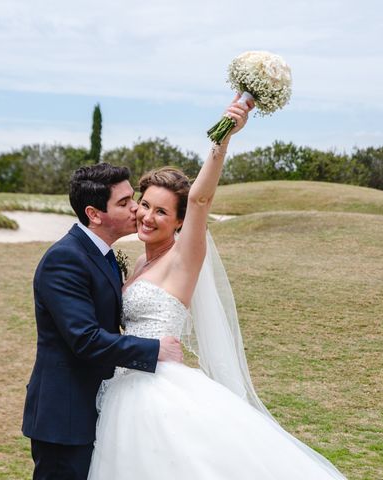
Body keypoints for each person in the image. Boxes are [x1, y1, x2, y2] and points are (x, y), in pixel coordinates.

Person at [87, 95, 348, 479]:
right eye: (145, 205)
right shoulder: (142, 262)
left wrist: (223, 138)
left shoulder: (184, 256)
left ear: (179, 222)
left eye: (162, 211)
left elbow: (201, 198)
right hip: (125, 386)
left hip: (158, 391)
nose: (147, 216)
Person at [22, 163, 184, 480]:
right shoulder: (65, 259)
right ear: (95, 214)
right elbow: (85, 339)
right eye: (124, 203)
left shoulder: (103, 254)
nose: (137, 208)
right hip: (65, 417)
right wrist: (154, 350)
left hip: (97, 406)